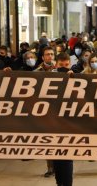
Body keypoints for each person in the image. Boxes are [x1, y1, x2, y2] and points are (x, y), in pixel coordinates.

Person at [34, 46, 56, 177]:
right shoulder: (37, 72)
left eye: (52, 54)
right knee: (48, 140)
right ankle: (50, 167)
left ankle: (61, 166)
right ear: (43, 57)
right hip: (45, 110)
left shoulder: (60, 70)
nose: (50, 56)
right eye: (47, 54)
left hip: (59, 109)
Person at [52, 52, 74, 186]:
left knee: (66, 159)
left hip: (68, 126)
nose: (64, 67)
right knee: (57, 160)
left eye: (66, 65)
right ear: (56, 65)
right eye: (61, 65)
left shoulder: (75, 77)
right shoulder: (48, 77)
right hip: (53, 126)